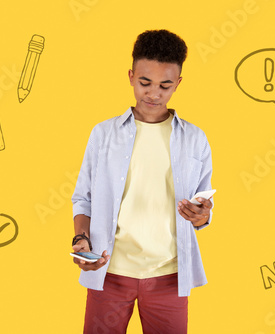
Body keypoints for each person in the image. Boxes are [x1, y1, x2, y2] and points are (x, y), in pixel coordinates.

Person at [71, 29, 214, 334]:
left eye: (165, 85)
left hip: (170, 276)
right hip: (109, 272)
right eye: (145, 83)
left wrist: (203, 216)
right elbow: (83, 198)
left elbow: (204, 205)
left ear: (178, 84)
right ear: (131, 76)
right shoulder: (103, 134)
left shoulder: (195, 139)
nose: (153, 93)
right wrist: (80, 241)